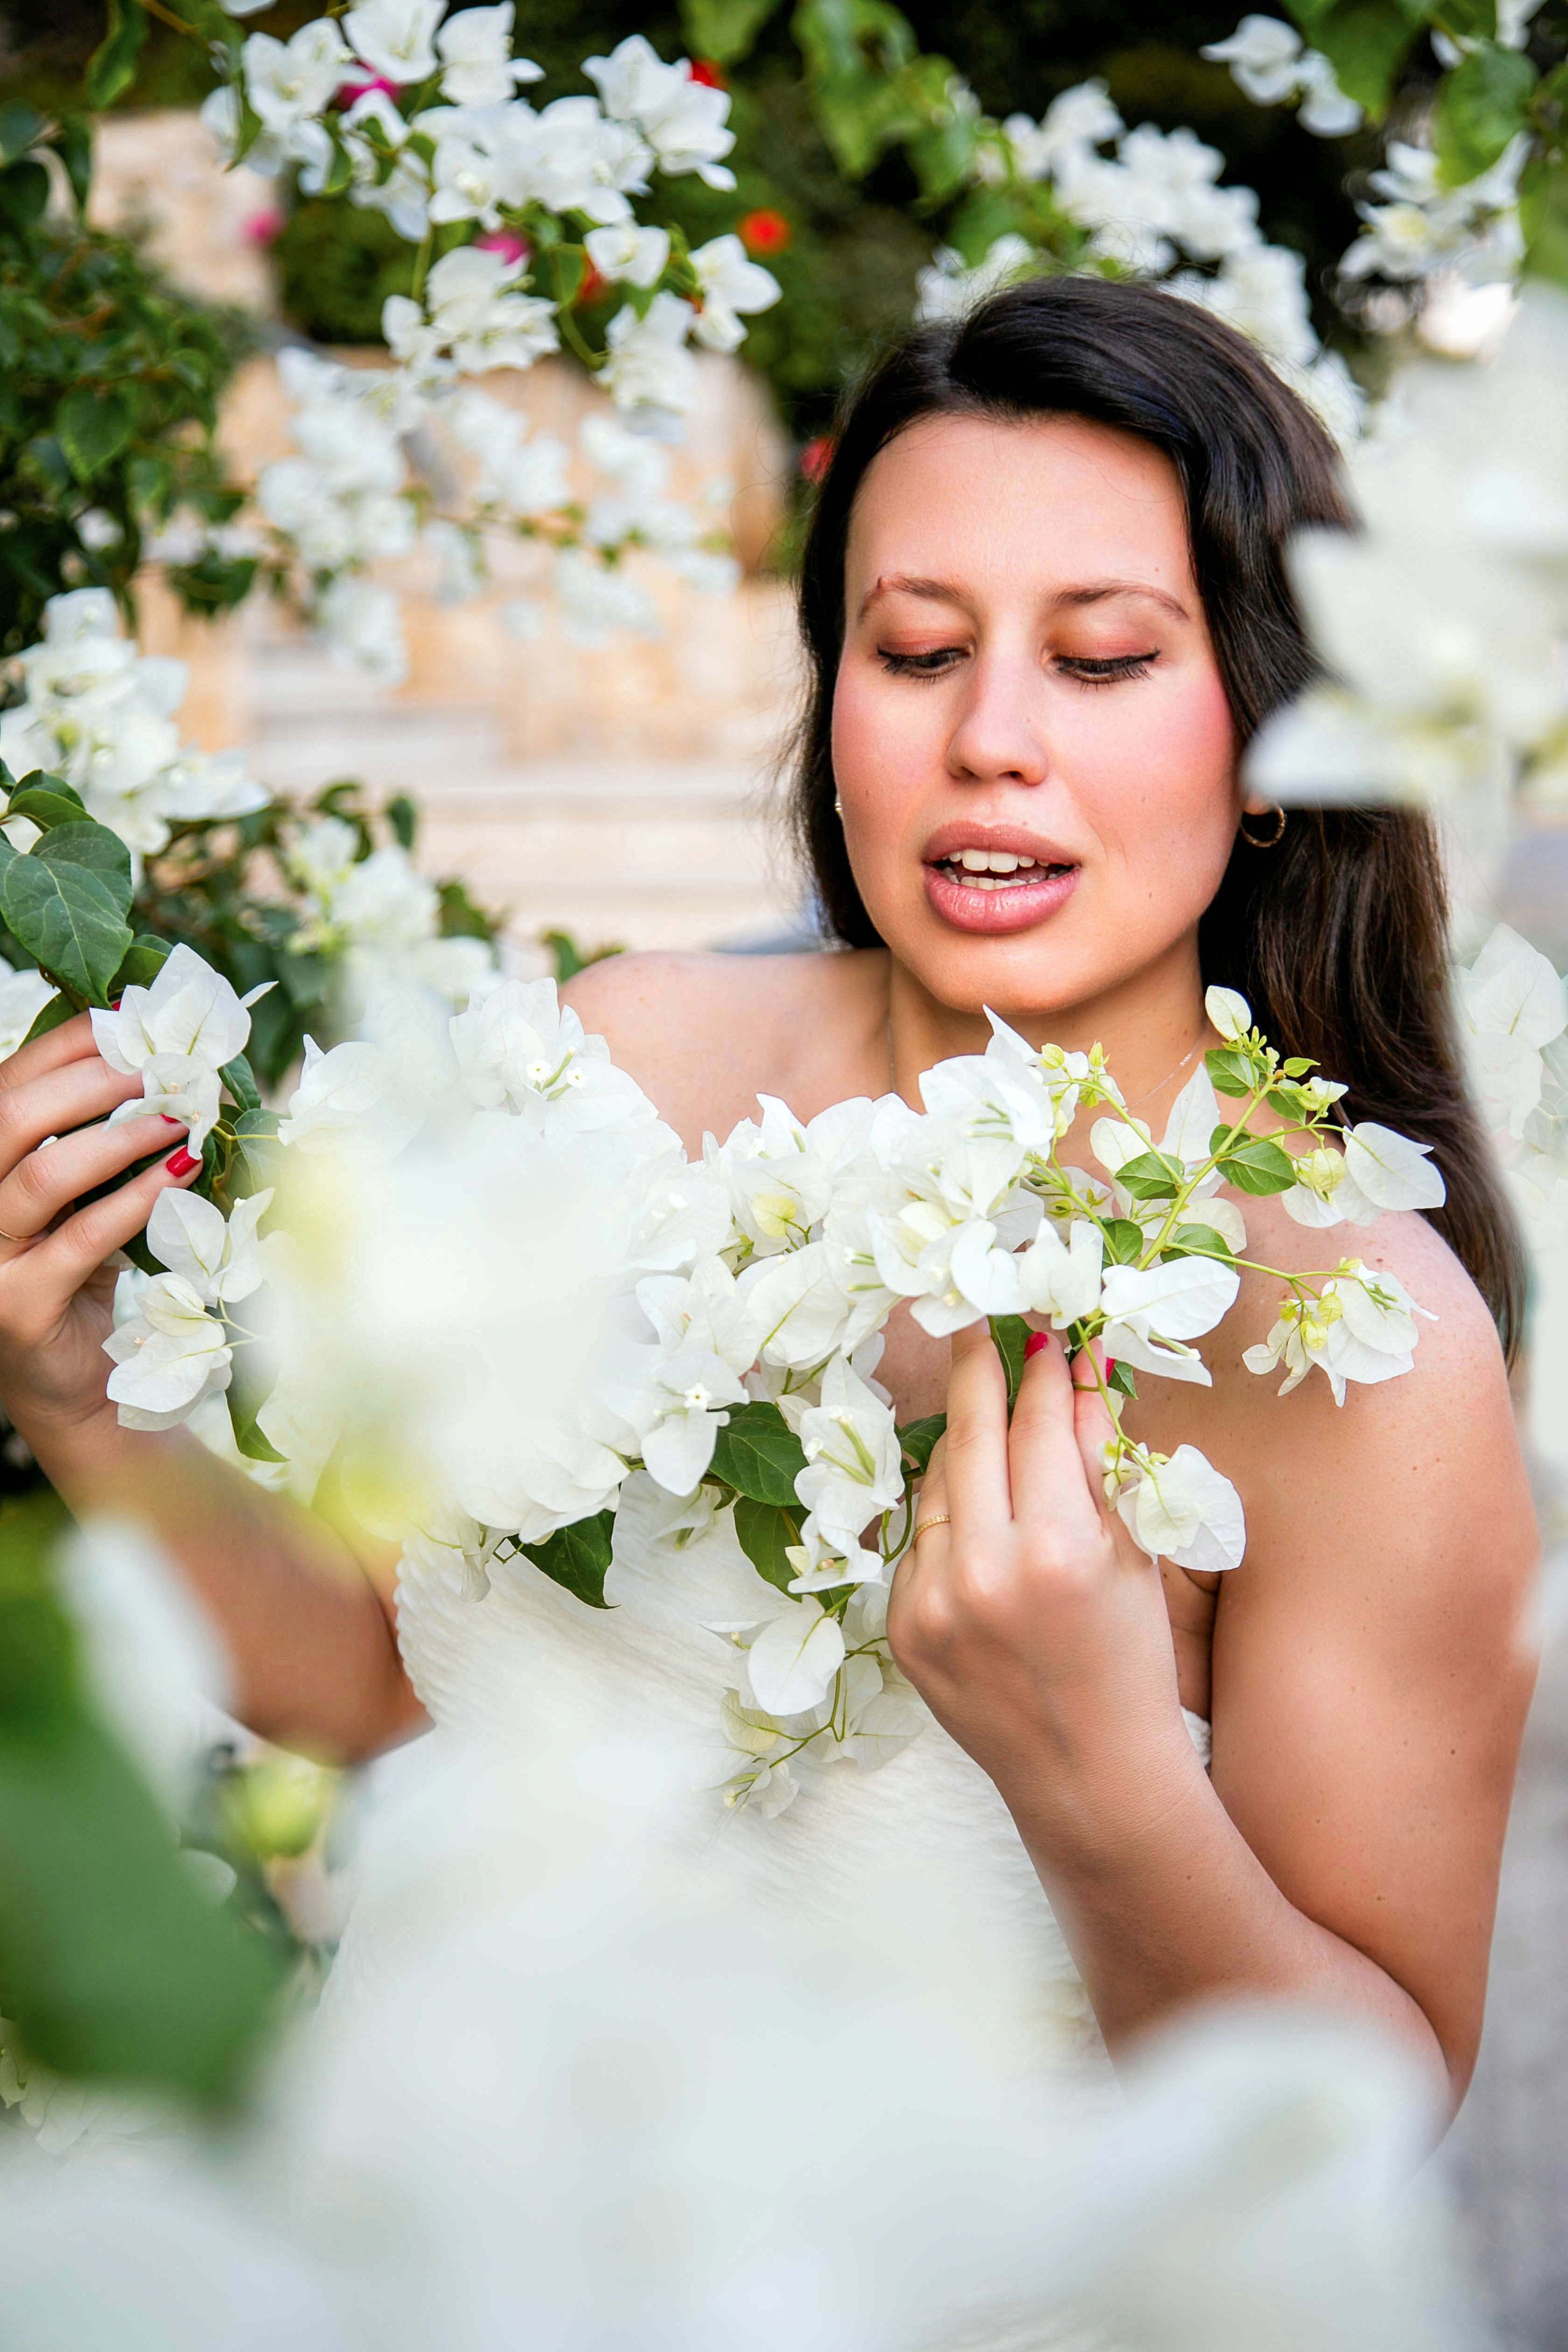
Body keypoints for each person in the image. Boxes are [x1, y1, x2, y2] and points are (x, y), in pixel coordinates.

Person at [0, 276, 1536, 2109]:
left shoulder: (1346, 1346)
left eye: (1106, 659)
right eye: (915, 651)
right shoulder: (612, 1069)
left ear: (1273, 742)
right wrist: (84, 1401)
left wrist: (1096, 1769)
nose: (992, 739)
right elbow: (374, 1679)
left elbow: (1372, 2114)